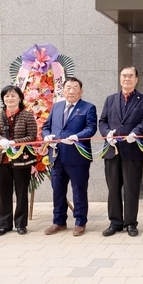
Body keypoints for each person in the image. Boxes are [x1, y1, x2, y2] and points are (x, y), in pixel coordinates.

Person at [98, 66, 143, 237]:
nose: (127, 79)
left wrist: (135, 133)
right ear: (120, 78)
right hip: (112, 150)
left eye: (130, 76)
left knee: (131, 188)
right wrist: (107, 134)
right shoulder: (110, 99)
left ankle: (130, 223)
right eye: (124, 76)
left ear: (136, 79)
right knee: (113, 188)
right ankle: (115, 222)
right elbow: (102, 121)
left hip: (133, 150)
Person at [42, 77, 97, 236]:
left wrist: (77, 136)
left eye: (75, 88)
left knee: (79, 190)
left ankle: (80, 222)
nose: (71, 91)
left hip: (77, 157)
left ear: (81, 91)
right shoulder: (56, 107)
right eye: (68, 87)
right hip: (57, 156)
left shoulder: (88, 108)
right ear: (63, 90)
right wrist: (47, 136)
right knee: (57, 190)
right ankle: (59, 221)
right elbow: (46, 126)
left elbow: (91, 128)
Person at [0, 85, 39, 236]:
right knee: (4, 192)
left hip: (21, 159)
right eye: (7, 96)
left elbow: (32, 136)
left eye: (13, 95)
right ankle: (4, 224)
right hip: (2, 159)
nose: (10, 98)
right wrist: (1, 140)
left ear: (20, 98)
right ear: (3, 99)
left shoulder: (27, 115)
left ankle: (21, 224)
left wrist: (14, 142)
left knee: (22, 192)